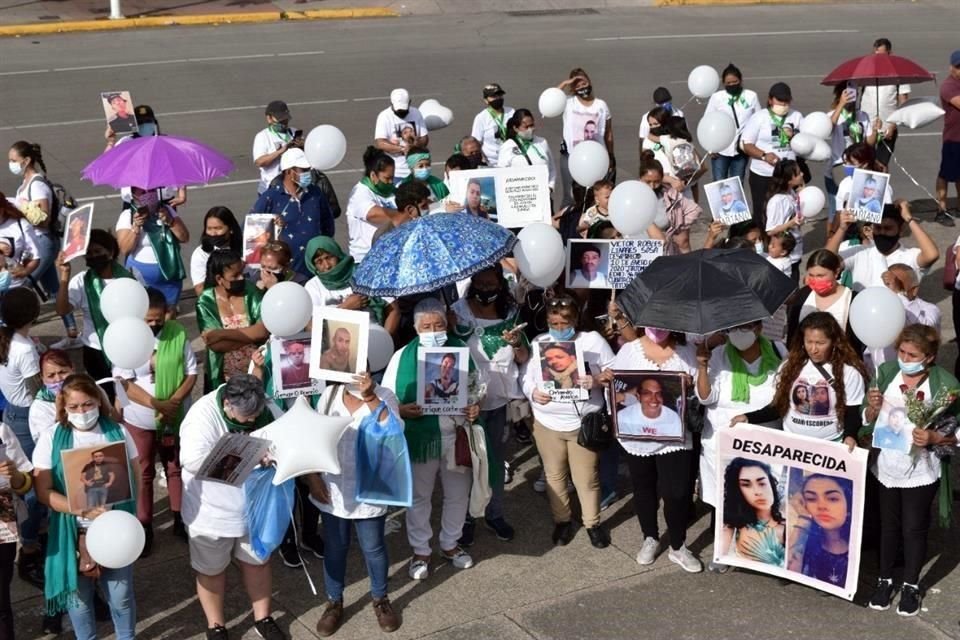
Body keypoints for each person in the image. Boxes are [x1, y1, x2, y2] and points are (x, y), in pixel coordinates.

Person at [178, 374, 286, 639]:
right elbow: (192, 461)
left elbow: (283, 434)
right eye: (245, 417)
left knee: (257, 563)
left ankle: (263, 618)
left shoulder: (266, 406)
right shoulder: (201, 415)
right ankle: (216, 626)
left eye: (255, 415)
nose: (251, 421)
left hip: (256, 507)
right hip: (212, 511)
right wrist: (248, 458)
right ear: (227, 403)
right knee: (211, 570)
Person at [32, 373, 139, 639]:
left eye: (88, 404)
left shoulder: (118, 432)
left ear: (98, 402)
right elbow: (43, 491)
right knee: (78, 602)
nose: (82, 411)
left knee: (121, 596)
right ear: (64, 408)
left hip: (116, 530)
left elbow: (134, 475)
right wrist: (79, 509)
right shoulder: (50, 438)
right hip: (74, 532)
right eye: (74, 407)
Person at [862, 324, 959, 615]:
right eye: (902, 351)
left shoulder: (946, 385)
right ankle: (884, 579)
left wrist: (933, 438)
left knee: (913, 529)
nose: (905, 357)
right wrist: (872, 408)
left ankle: (911, 585)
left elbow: (955, 430)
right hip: (887, 465)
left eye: (912, 354)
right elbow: (868, 419)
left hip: (921, 470)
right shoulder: (887, 372)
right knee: (888, 527)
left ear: (929, 357)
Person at [382, 298, 481, 579]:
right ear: (415, 328)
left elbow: (477, 387)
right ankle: (421, 550)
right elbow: (386, 399)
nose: (433, 330)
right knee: (419, 497)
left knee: (457, 495)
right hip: (419, 439)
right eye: (426, 326)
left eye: (438, 324)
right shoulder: (401, 357)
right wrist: (401, 410)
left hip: (455, 434)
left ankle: (450, 544)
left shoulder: (461, 350)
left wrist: (475, 405)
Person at [597, 321, 701, 572]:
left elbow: (702, 392)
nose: (658, 327)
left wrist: (691, 385)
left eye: (664, 322)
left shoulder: (686, 353)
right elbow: (617, 388)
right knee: (643, 489)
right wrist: (607, 380)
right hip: (637, 436)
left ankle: (678, 545)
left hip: (674, 437)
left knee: (676, 493)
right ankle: (650, 537)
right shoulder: (630, 350)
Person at [305, 373, 401, 636]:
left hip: (369, 489)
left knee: (373, 547)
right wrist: (312, 478)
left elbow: (393, 431)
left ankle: (381, 600)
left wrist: (370, 396)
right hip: (333, 488)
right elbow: (312, 438)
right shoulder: (330, 395)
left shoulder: (385, 396)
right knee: (335, 547)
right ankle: (334, 602)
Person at [522, 297, 613, 549]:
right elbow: (525, 377)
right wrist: (532, 392)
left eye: (565, 322)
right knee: (554, 476)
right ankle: (562, 521)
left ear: (575, 321)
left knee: (586, 478)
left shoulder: (592, 341)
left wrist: (595, 380)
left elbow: (614, 373)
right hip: (547, 422)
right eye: (554, 322)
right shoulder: (539, 342)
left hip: (583, 423)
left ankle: (593, 523)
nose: (559, 328)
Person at [114, 287, 197, 553]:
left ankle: (179, 519)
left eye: (157, 319)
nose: (152, 324)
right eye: (147, 320)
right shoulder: (127, 338)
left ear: (166, 313)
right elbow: (124, 383)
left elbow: (191, 373)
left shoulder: (178, 334)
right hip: (140, 418)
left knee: (175, 468)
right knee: (144, 472)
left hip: (174, 416)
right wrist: (155, 403)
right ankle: (145, 526)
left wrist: (172, 403)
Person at [695, 321, 782, 571]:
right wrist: (702, 366)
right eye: (732, 329)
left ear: (758, 328)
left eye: (745, 328)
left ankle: (761, 553)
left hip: (764, 441)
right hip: (723, 440)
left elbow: (782, 398)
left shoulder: (778, 353)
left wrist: (751, 418)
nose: (738, 334)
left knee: (763, 499)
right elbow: (705, 397)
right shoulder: (719, 356)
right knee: (726, 498)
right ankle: (723, 552)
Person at [451, 266, 528, 544]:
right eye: (480, 283)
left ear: (500, 284)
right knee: (467, 465)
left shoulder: (510, 314)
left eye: (490, 283)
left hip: (497, 403)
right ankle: (466, 518)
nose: (485, 288)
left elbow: (522, 356)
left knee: (494, 462)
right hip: (466, 405)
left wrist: (516, 341)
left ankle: (494, 515)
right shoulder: (457, 312)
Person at [732, 312, 867, 444]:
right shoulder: (790, 366)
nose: (813, 349)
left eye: (820, 343)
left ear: (834, 342)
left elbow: (852, 413)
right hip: (793, 447)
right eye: (809, 342)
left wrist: (850, 436)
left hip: (830, 446)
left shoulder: (849, 373)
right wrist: (748, 417)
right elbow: (778, 407)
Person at [56, 230, 143, 397]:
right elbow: (62, 309)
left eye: (97, 252)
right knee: (105, 395)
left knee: (128, 392)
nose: (93, 256)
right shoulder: (81, 281)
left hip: (127, 345)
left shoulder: (131, 275)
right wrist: (64, 276)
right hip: (95, 350)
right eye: (88, 253)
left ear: (110, 253)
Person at [0, 288, 44, 587]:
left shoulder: (8, 341)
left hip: (10, 413)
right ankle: (29, 545)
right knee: (33, 482)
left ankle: (31, 535)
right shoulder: (25, 348)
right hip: (27, 416)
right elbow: (37, 390)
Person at [251, 148, 335, 278]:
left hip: (315, 270)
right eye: (303, 170)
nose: (308, 173)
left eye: (308, 170)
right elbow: (252, 232)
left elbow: (327, 225)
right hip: (285, 274)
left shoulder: (315, 193)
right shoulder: (271, 197)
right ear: (289, 171)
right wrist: (270, 224)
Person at [196, 249, 268, 392]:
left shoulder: (251, 291)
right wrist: (251, 336)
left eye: (242, 272)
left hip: (257, 371)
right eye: (235, 276)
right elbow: (216, 345)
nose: (241, 278)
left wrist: (222, 334)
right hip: (224, 377)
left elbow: (263, 330)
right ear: (219, 279)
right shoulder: (205, 301)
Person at [826, 201, 939, 291]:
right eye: (878, 228)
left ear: (901, 230)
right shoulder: (860, 252)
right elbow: (825, 259)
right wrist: (842, 229)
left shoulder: (910, 256)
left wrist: (909, 219)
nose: (882, 233)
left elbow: (932, 255)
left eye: (888, 228)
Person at [303, 235, 398, 334]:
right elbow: (311, 327)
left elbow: (393, 310)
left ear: (337, 254)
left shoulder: (364, 274)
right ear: (313, 266)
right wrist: (345, 308)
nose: (327, 265)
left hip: (373, 338)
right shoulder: (313, 287)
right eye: (319, 262)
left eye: (329, 257)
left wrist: (385, 341)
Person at [115, 186, 189, 307]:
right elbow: (125, 249)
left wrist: (170, 221)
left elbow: (184, 237)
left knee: (169, 314)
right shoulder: (127, 215)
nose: (148, 194)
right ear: (133, 195)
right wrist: (136, 227)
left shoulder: (167, 210)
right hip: (141, 279)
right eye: (142, 192)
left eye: (151, 190)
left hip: (169, 277)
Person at [741, 82, 803, 220]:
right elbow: (747, 145)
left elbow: (805, 142)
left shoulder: (796, 116)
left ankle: (785, 240)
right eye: (779, 101)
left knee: (788, 211)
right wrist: (764, 156)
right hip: (763, 174)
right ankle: (763, 239)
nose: (783, 105)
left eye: (786, 101)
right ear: (770, 100)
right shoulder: (759, 117)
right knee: (762, 212)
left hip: (788, 175)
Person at [557, 68, 614, 209]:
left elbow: (608, 133)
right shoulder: (568, 103)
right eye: (577, 85)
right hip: (572, 158)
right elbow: (552, 99)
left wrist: (611, 156)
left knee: (597, 197)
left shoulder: (601, 105)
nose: (582, 87)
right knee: (571, 196)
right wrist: (565, 83)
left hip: (597, 159)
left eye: (584, 83)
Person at [787, 249, 862, 352]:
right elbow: (792, 336)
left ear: (836, 272)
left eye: (820, 276)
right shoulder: (802, 295)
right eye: (811, 275)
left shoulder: (853, 301)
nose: (815, 280)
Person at [786, 472, 853, 587]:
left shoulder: (858, 548)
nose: (821, 506)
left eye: (832, 499)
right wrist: (804, 518)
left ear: (849, 506)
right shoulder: (803, 543)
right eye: (811, 498)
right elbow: (789, 574)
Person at [718, 458, 786, 566]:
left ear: (771, 484)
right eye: (746, 485)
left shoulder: (789, 527)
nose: (757, 492)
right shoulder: (735, 525)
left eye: (762, 483)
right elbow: (721, 552)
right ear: (738, 490)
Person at [0, 419, 32, 639]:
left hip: (2, 529)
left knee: (1, 601)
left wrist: (15, 475)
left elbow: (25, 482)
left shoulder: (1, 430)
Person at [826, 84, 876, 225]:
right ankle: (832, 237)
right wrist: (841, 104)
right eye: (848, 95)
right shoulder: (833, 115)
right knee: (838, 208)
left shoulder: (862, 115)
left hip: (860, 165)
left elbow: (869, 142)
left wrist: (876, 131)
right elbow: (828, 129)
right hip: (841, 166)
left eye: (855, 95)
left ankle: (859, 235)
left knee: (860, 206)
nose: (852, 99)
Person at [705, 64, 760, 181]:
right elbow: (707, 121)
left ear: (740, 80)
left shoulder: (751, 96)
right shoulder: (717, 97)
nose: (731, 85)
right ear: (723, 83)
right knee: (719, 182)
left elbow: (758, 120)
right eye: (728, 83)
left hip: (741, 149)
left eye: (734, 82)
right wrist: (709, 147)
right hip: (720, 149)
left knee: (737, 182)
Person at [861, 38, 910, 169]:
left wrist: (893, 126)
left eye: (882, 55)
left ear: (890, 53)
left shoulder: (899, 73)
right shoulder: (865, 71)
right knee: (864, 164)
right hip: (867, 126)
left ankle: (883, 189)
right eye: (875, 55)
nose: (878, 59)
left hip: (888, 127)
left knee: (881, 166)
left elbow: (904, 103)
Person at [638, 153, 702, 255]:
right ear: (640, 178)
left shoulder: (669, 196)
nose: (652, 186)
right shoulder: (632, 194)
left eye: (656, 182)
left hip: (663, 252)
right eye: (648, 182)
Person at [346, 147, 399, 263]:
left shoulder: (392, 192)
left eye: (392, 177)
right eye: (387, 178)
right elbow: (373, 214)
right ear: (373, 176)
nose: (391, 182)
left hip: (389, 255)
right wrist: (404, 216)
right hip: (365, 259)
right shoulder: (360, 192)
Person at [374, 89, 428, 182]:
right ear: (391, 103)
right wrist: (402, 149)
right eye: (398, 110)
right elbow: (380, 143)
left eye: (404, 110)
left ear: (410, 102)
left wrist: (415, 145)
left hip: (416, 170)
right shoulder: (384, 116)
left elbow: (425, 138)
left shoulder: (416, 113)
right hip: (395, 172)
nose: (401, 113)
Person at [763, 160, 805, 283]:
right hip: (786, 256)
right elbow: (770, 231)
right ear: (788, 180)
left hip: (795, 251)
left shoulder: (791, 193)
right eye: (797, 174)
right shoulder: (777, 201)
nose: (802, 174)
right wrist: (791, 223)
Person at [497, 109, 557, 192]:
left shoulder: (542, 142)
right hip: (520, 198)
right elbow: (501, 175)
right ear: (516, 128)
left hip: (543, 196)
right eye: (526, 127)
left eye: (532, 125)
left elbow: (552, 168)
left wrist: (550, 186)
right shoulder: (508, 146)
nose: (530, 129)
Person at [253, 100, 303, 195]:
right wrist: (280, 152)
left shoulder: (294, 132)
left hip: (293, 187)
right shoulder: (263, 136)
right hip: (270, 188)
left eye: (285, 119)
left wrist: (302, 147)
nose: (284, 122)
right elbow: (260, 162)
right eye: (280, 120)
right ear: (269, 118)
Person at [190, 207, 243, 296]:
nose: (213, 233)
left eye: (218, 228)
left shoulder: (244, 248)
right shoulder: (201, 253)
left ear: (230, 229)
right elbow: (200, 290)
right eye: (209, 229)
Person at [29, 349, 74, 445]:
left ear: (72, 369)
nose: (58, 379)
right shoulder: (39, 408)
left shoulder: (88, 389)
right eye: (51, 375)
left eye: (62, 372)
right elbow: (50, 444)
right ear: (42, 377)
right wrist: (59, 411)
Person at [936, 50, 960, 225]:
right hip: (954, 139)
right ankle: (941, 210)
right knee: (945, 174)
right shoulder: (948, 86)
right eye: (958, 67)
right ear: (951, 67)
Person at [617, 378, 683, 439]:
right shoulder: (623, 416)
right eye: (647, 393)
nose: (654, 399)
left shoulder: (673, 418)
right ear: (638, 396)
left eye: (658, 394)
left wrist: (624, 397)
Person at [0, 196, 41, 292]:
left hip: (14, 287)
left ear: (1, 210)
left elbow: (34, 256)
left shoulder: (21, 225)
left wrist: (25, 271)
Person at [884, 263, 941, 332]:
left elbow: (923, 331)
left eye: (900, 287)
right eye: (887, 285)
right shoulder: (879, 307)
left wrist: (898, 294)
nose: (891, 291)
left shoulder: (930, 309)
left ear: (914, 290)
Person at [471, 83, 514, 167]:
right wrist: (483, 161)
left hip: (512, 159)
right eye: (493, 96)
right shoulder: (481, 118)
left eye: (499, 95)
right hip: (492, 163)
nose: (497, 98)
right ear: (486, 100)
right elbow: (476, 143)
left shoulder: (512, 112)